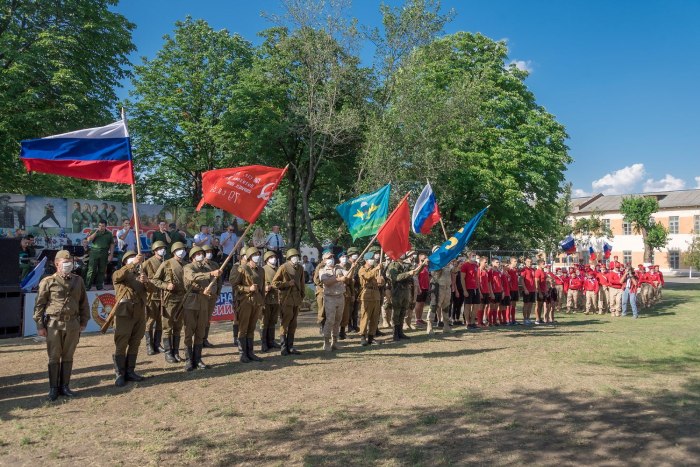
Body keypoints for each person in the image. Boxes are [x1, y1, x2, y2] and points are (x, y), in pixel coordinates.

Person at [33, 250, 89, 401]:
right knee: (54, 357)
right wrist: (40, 325)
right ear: (57, 264)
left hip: (73, 323)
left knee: (68, 356)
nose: (68, 264)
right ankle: (53, 388)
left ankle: (65, 386)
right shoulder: (48, 281)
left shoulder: (78, 281)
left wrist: (84, 321)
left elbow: (83, 302)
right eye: (64, 262)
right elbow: (39, 305)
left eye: (69, 262)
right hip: (54, 324)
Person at [111, 251, 148, 386]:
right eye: (130, 259)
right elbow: (117, 276)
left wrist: (147, 281)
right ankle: (119, 373)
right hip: (124, 312)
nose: (134, 260)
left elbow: (151, 290)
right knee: (121, 342)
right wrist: (132, 264)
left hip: (139, 311)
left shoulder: (141, 275)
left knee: (135, 341)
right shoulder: (120, 274)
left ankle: (130, 371)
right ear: (125, 261)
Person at [182, 246, 222, 371]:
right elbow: (193, 277)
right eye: (198, 253)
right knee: (189, 331)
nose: (201, 255)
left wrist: (210, 289)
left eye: (202, 253)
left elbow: (213, 282)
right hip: (191, 303)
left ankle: (198, 359)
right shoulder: (188, 267)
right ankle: (189, 360)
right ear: (193, 257)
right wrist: (210, 273)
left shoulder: (206, 267)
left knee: (200, 331)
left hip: (204, 303)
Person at [150, 242, 188, 364]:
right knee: (167, 327)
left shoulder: (186, 265)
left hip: (183, 300)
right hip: (170, 299)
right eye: (179, 249)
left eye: (183, 249)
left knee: (178, 327)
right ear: (173, 251)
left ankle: (176, 352)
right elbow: (155, 280)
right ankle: (168, 353)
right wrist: (166, 285)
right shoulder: (166, 263)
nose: (181, 251)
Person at [233, 246, 264, 363]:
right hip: (245, 301)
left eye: (258, 254)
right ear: (249, 257)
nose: (257, 257)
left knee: (251, 327)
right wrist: (247, 288)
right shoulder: (241, 269)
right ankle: (242, 354)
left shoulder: (261, 270)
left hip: (256, 302)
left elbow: (262, 290)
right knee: (243, 328)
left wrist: (262, 301)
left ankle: (250, 352)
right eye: (255, 255)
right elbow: (235, 286)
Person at [272, 248, 304, 356]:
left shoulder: (300, 268)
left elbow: (302, 283)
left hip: (296, 299)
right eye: (293, 256)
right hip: (286, 299)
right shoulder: (283, 267)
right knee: (285, 323)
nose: (296, 258)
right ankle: (283, 347)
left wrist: (302, 295)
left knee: (293, 323)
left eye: (297, 256)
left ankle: (291, 346)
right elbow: (274, 283)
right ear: (289, 258)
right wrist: (286, 284)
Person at [387, 251, 425, 341]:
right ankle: (395, 333)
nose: (403, 254)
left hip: (406, 290)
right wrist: (408, 273)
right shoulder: (393, 265)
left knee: (403, 311)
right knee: (396, 312)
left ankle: (400, 332)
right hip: (397, 291)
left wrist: (422, 265)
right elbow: (396, 278)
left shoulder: (406, 264)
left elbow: (415, 272)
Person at [319, 251, 349, 351]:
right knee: (330, 320)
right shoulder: (322, 271)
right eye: (328, 258)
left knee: (338, 320)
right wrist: (339, 279)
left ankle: (334, 342)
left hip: (340, 297)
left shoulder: (339, 268)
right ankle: (326, 342)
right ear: (324, 260)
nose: (331, 259)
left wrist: (352, 268)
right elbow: (326, 282)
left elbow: (348, 276)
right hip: (330, 298)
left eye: (332, 257)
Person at [143, 241, 167, 356]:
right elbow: (141, 277)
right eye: (160, 248)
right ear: (155, 250)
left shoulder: (165, 262)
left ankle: (157, 344)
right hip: (151, 295)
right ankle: (149, 345)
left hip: (163, 295)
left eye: (163, 248)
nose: (162, 250)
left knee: (160, 321)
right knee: (150, 320)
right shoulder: (148, 263)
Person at [357, 251, 384, 345]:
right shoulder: (362, 269)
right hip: (367, 294)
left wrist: (381, 280)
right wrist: (376, 268)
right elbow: (367, 277)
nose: (373, 260)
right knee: (365, 316)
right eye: (371, 258)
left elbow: (380, 281)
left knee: (375, 317)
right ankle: (362, 336)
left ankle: (371, 337)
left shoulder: (375, 269)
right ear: (366, 260)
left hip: (376, 294)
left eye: (373, 258)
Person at [427, 247, 454, 334]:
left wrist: (455, 264)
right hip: (438, 286)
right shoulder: (433, 261)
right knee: (434, 306)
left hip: (447, 286)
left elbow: (454, 271)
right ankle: (429, 326)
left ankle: (446, 326)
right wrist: (444, 263)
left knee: (446, 306)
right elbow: (436, 272)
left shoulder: (446, 261)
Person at [201, 244, 222, 348]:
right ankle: (199, 339)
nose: (209, 254)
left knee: (208, 318)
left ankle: (205, 339)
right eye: (207, 252)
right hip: (203, 295)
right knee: (202, 319)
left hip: (213, 295)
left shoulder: (215, 264)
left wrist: (218, 292)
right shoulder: (199, 265)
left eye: (210, 252)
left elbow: (220, 281)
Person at [85, 220, 114, 290]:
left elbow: (112, 244)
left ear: (105, 226)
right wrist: (95, 233)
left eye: (103, 226)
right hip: (94, 252)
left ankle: (99, 286)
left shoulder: (109, 234)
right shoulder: (94, 231)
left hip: (104, 252)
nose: (101, 227)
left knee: (102, 270)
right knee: (91, 270)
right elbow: (89, 240)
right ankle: (87, 286)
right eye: (99, 226)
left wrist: (111, 255)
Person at [262, 251, 281, 352]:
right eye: (271, 257)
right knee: (264, 321)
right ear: (266, 259)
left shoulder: (278, 269)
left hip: (276, 298)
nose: (274, 258)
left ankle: (271, 341)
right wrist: (266, 287)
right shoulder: (263, 269)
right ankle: (264, 343)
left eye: (274, 256)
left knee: (273, 320)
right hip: (266, 298)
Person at [487, 258, 505, 326]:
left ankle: (494, 321)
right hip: (493, 292)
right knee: (491, 307)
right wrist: (491, 292)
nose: (498, 263)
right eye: (497, 262)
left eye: (498, 262)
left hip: (499, 292)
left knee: (496, 307)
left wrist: (502, 291)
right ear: (493, 263)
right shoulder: (490, 271)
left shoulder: (499, 271)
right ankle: (489, 322)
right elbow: (489, 283)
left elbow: (501, 282)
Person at [414, 253, 430, 327]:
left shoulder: (426, 267)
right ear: (419, 258)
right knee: (418, 304)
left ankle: (420, 318)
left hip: (425, 287)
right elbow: (416, 278)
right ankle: (417, 319)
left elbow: (428, 278)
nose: (425, 258)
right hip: (419, 288)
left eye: (426, 257)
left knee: (422, 304)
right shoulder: (418, 266)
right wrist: (418, 288)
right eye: (424, 257)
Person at [519, 258, 536, 325]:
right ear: (525, 262)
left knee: (530, 305)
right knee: (526, 304)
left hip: (532, 290)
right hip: (527, 290)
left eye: (531, 261)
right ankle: (525, 319)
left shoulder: (532, 269)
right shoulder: (524, 269)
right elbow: (522, 279)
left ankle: (528, 318)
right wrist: (525, 289)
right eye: (528, 261)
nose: (530, 263)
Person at [505, 257, 520, 325]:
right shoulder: (508, 269)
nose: (516, 262)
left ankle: (513, 319)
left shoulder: (515, 270)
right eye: (514, 261)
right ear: (511, 262)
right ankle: (508, 319)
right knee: (509, 305)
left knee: (514, 305)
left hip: (515, 289)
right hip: (510, 290)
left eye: (516, 261)